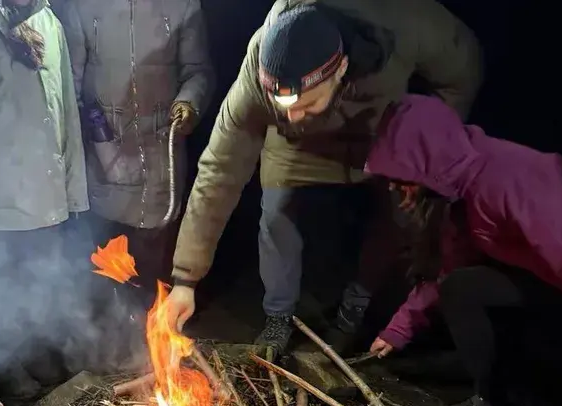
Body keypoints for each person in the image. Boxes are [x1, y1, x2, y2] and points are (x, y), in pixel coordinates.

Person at [164, 0, 482, 355]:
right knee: (275, 212)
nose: (296, 114)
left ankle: (355, 306)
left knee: (401, 216)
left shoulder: (402, 25)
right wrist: (185, 280)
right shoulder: (260, 70)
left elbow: (463, 69)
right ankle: (278, 317)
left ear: (340, 68)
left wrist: (428, 139)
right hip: (295, 145)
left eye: (305, 104)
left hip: (374, 136)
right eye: (285, 105)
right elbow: (220, 168)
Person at [364, 94, 562, 406]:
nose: (394, 187)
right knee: (461, 286)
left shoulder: (511, 178)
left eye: (400, 175)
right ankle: (497, 399)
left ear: (428, 159)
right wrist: (397, 331)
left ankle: (540, 396)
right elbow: (445, 269)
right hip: (538, 281)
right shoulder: (453, 193)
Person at [0, 0, 89, 398]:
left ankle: (37, 352)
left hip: (48, 194)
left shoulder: (49, 22)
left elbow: (66, 115)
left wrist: (73, 193)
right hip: (2, 197)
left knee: (42, 283)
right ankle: (6, 365)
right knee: (3, 289)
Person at [59, 0, 214, 295]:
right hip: (104, 150)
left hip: (160, 151)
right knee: (105, 261)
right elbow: (70, 83)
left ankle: (150, 327)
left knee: (153, 262)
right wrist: (91, 132)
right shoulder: (82, 7)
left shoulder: (183, 6)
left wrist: (189, 102)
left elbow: (198, 71)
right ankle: (108, 329)